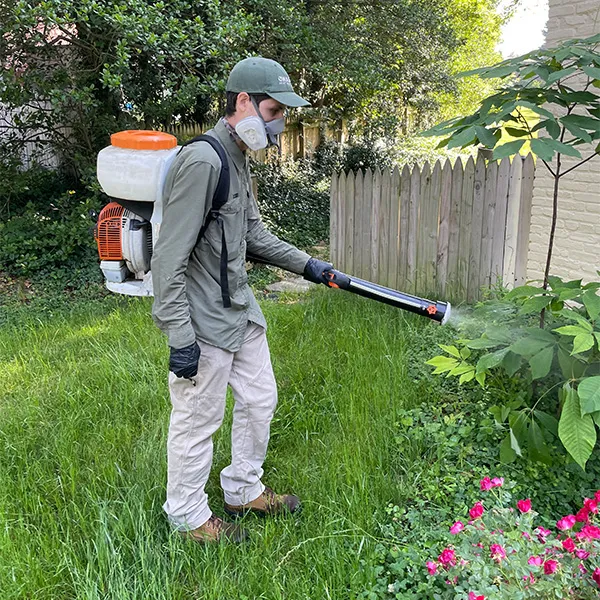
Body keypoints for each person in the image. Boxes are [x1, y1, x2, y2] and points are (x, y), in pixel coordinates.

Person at [151, 56, 333, 543]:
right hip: (203, 318)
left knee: (260, 399)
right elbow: (168, 259)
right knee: (198, 419)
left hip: (239, 310)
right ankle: (188, 518)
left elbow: (252, 235)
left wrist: (309, 266)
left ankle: (242, 489)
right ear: (244, 102)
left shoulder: (238, 159)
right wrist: (179, 336)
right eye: (274, 112)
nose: (278, 126)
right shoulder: (203, 161)